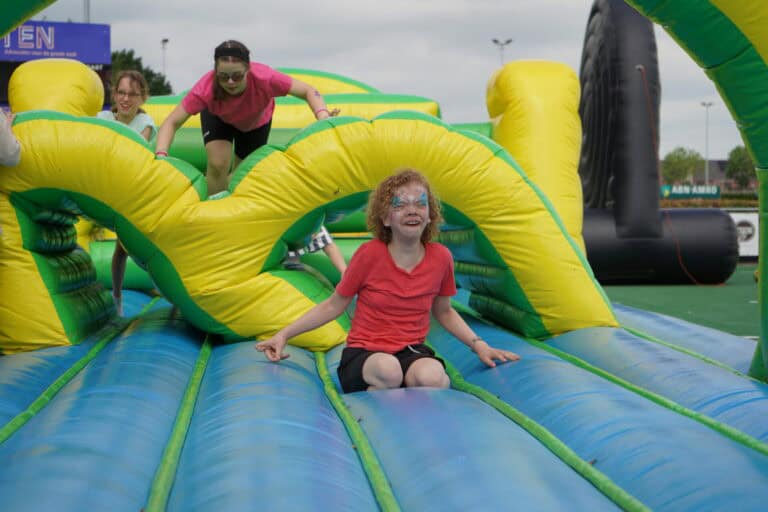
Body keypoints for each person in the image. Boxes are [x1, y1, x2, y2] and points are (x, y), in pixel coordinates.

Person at [256, 168, 520, 393]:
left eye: (420, 203)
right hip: (365, 355)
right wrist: (284, 335)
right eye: (400, 205)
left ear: (430, 215)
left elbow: (445, 311)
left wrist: (479, 345)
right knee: (389, 371)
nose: (412, 210)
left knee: (432, 377)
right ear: (385, 218)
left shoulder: (441, 258)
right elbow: (333, 305)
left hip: (410, 351)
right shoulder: (369, 255)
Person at [155, 40, 339, 195]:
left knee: (241, 176)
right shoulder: (206, 88)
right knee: (218, 163)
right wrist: (161, 155)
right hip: (218, 117)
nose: (230, 82)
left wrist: (322, 115)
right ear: (215, 72)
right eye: (223, 77)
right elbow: (172, 122)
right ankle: (212, 210)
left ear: (248, 70)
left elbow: (308, 90)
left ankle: (227, 204)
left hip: (255, 123)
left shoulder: (265, 78)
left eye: (236, 76)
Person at [97, 70, 157, 315]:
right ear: (114, 94)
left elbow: (133, 148)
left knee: (126, 246)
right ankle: (117, 295)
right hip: (106, 187)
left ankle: (160, 289)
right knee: (121, 248)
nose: (125, 99)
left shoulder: (145, 123)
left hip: (133, 190)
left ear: (142, 98)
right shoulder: (102, 117)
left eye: (132, 94)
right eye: (121, 92)